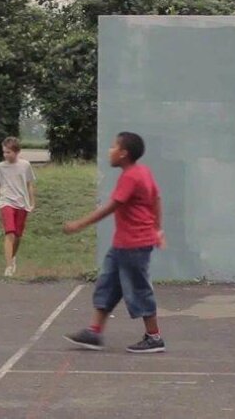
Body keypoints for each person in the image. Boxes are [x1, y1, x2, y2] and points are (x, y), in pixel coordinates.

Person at [62, 132, 167, 354]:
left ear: (123, 153)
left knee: (138, 289)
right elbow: (156, 198)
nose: (109, 151)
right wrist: (158, 229)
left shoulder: (131, 177)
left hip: (134, 245)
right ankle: (94, 332)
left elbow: (111, 207)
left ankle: (154, 337)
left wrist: (79, 224)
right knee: (107, 285)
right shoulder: (143, 172)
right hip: (122, 245)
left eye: (113, 147)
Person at [0, 137, 36, 277]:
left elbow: (29, 184)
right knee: (9, 232)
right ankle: (9, 267)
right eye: (4, 152)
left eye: (8, 152)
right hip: (6, 202)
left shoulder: (25, 165)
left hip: (22, 203)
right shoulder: (0, 167)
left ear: (17, 152)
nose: (5, 155)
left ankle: (13, 257)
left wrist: (32, 201)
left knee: (18, 235)